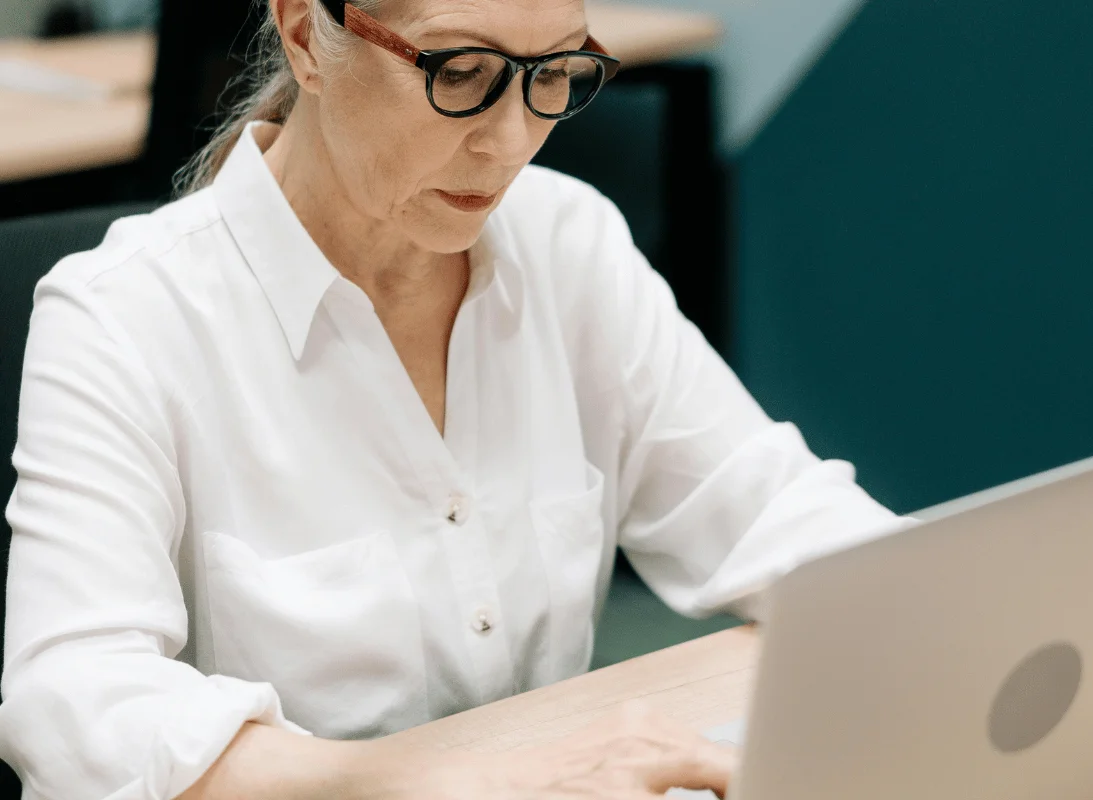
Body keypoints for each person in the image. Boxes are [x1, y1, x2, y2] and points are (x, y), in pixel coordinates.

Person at [0, 0, 908, 797]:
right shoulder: (124, 314)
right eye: (461, 73)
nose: (510, 141)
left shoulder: (566, 239)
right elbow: (77, 701)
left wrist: (967, 614)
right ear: (305, 36)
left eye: (554, 74)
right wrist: (419, 780)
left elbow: (771, 509)